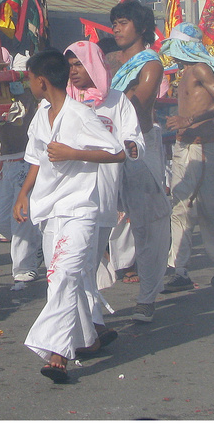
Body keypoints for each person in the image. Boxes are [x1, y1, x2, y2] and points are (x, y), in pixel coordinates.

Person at [14, 49, 125, 383]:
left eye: (30, 78)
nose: (29, 84)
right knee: (60, 277)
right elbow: (35, 156)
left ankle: (57, 354)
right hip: (50, 209)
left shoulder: (80, 115)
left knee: (64, 275)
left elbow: (116, 151)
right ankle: (88, 338)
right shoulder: (41, 114)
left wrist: (73, 153)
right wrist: (24, 192)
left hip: (79, 209)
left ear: (42, 81)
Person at [65, 41, 167, 331]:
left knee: (148, 230)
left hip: (122, 176)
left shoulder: (117, 100)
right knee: (83, 253)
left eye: (79, 64)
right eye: (69, 65)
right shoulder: (65, 102)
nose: (73, 72)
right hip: (80, 189)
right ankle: (86, 319)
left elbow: (132, 133)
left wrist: (132, 147)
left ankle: (147, 297)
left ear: (95, 65)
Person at [159, 24, 214, 291]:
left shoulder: (201, 70)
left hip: (204, 147)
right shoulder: (185, 73)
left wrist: (189, 119)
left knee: (212, 207)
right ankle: (178, 269)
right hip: (185, 146)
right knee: (180, 207)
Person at [106, 0, 166, 283]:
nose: (117, 29)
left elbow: (137, 103)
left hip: (139, 142)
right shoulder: (108, 59)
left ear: (141, 27)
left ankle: (141, 264)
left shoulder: (150, 63)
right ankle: (121, 262)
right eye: (114, 24)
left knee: (141, 210)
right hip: (108, 140)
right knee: (115, 205)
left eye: (123, 23)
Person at [0, 91, 45, 288]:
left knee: (20, 219)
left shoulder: (27, 94)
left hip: (25, 159)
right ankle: (36, 244)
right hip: (5, 161)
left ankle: (24, 268)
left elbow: (20, 113)